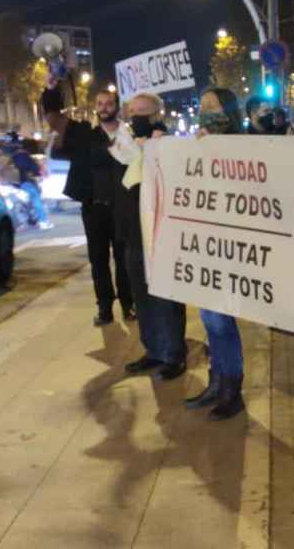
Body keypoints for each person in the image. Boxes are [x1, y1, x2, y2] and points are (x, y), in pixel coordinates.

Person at [42, 83, 134, 327]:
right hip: (94, 208)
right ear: (95, 107)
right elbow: (54, 119)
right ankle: (105, 309)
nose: (104, 108)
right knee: (98, 259)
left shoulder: (129, 135)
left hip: (121, 207)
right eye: (100, 104)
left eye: (109, 103)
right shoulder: (83, 132)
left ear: (117, 107)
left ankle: (128, 305)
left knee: (125, 259)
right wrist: (52, 89)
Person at [112, 92, 190, 382]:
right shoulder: (126, 145)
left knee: (165, 295)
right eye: (132, 112)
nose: (135, 118)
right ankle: (153, 350)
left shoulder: (167, 145)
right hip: (133, 230)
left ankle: (173, 353)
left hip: (160, 232)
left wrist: (153, 148)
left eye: (142, 113)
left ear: (157, 115)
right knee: (142, 295)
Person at [182, 87, 248, 421]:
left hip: (230, 248)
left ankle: (232, 390)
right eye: (203, 107)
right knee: (209, 319)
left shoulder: (245, 146)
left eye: (214, 107)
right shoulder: (198, 144)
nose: (206, 112)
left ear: (229, 110)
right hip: (204, 245)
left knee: (222, 322)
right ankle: (216, 382)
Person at [10, 141, 53, 230]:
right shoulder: (25, 156)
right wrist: (38, 173)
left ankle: (22, 222)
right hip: (25, 182)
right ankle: (43, 221)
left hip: (13, 183)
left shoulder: (12, 156)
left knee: (18, 203)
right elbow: (34, 168)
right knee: (36, 199)